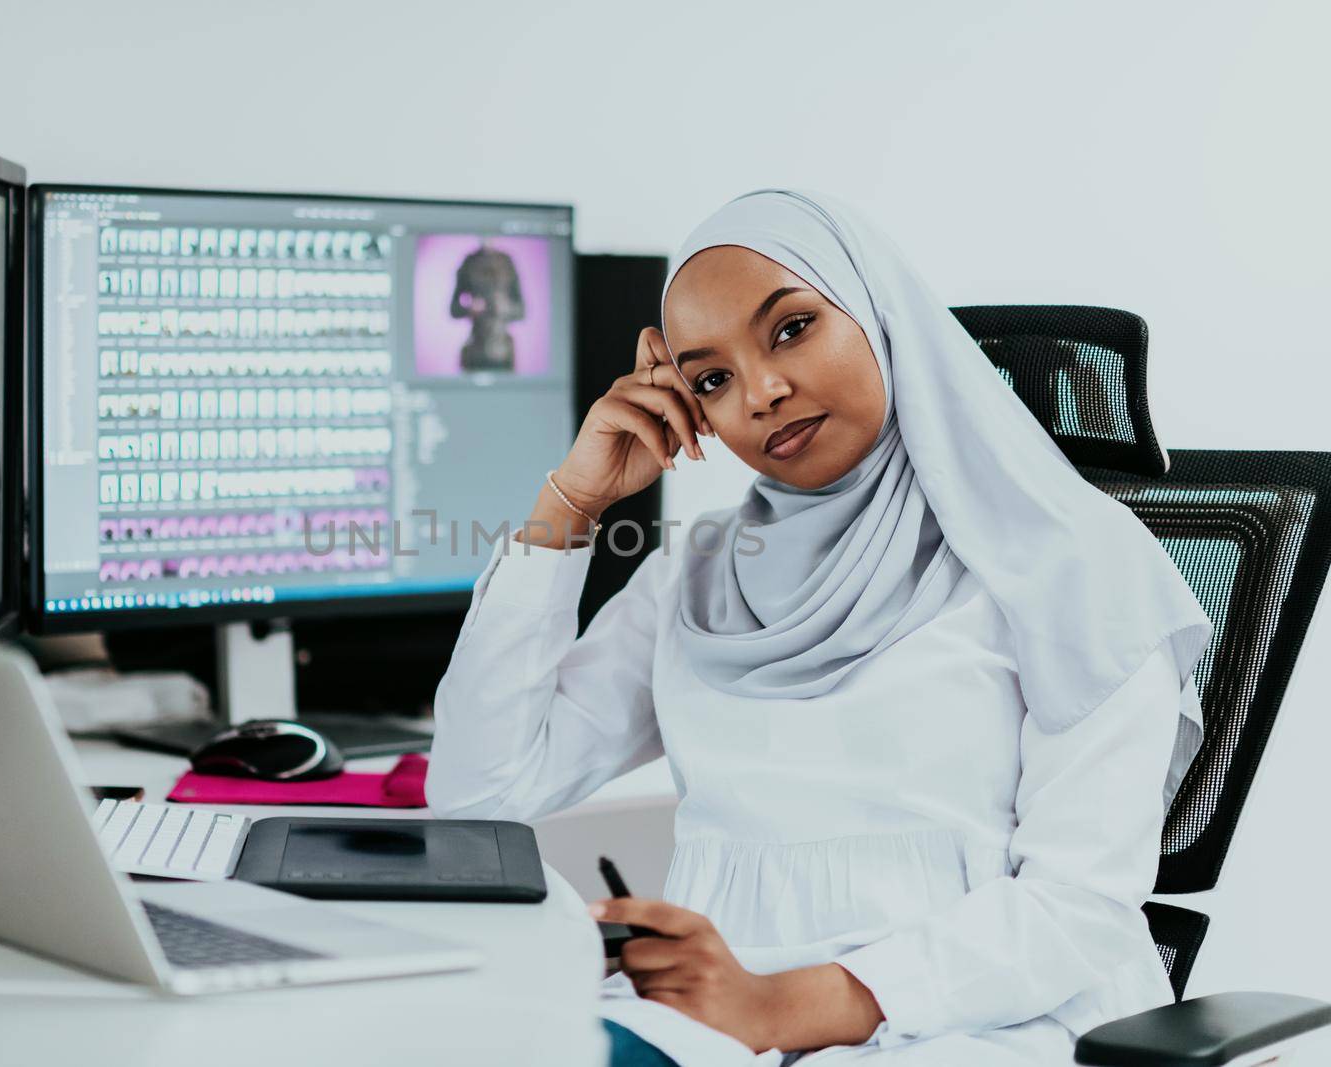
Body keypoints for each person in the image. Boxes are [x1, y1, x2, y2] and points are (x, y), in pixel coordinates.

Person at [425, 189, 1214, 1065]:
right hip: (715, 1022)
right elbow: (481, 795)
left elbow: (1076, 912)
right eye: (711, 378)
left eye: (792, 328)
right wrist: (570, 502)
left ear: (879, 317)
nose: (760, 393)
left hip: (976, 1025)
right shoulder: (699, 573)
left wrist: (780, 1007)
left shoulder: (1072, 563)